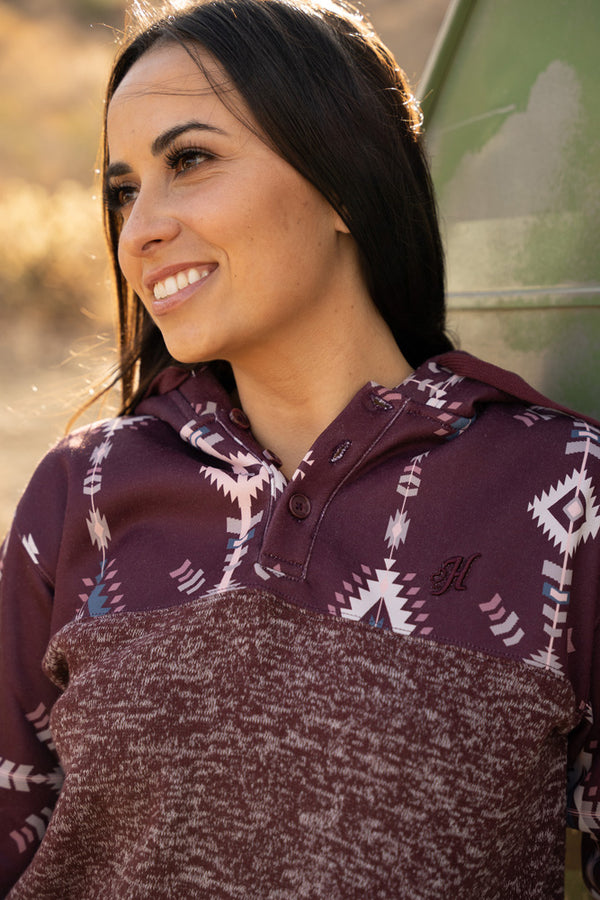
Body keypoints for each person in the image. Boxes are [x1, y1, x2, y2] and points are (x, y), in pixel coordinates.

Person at [1, 0, 599, 896]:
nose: (138, 230)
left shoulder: (562, 490)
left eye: (190, 161)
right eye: (124, 190)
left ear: (346, 183)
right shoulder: (82, 486)